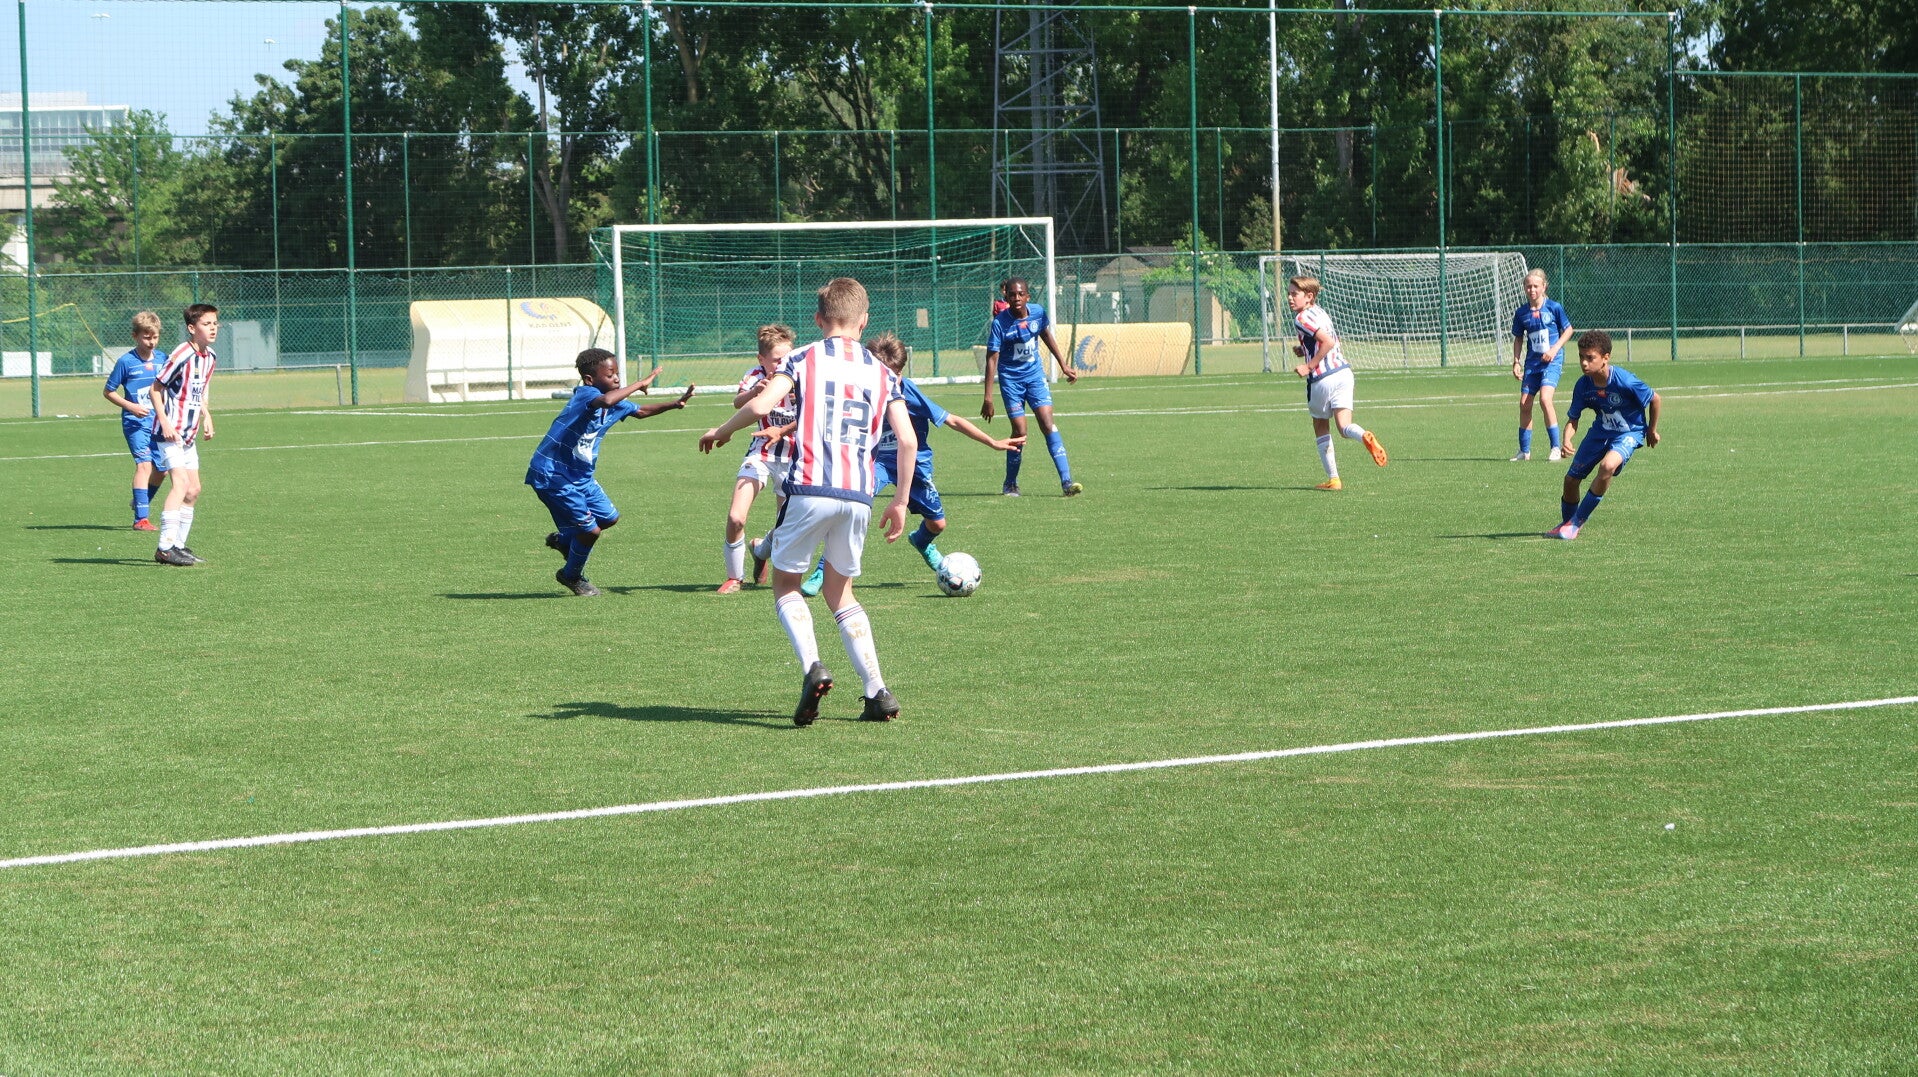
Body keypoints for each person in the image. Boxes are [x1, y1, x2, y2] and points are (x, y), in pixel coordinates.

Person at [699, 277, 916, 726]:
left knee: (786, 585)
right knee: (840, 592)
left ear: (818, 319)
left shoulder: (802, 357)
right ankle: (877, 691)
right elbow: (908, 440)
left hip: (810, 487)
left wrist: (722, 431)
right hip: (859, 495)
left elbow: (761, 407)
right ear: (864, 320)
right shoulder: (884, 372)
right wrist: (899, 501)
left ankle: (813, 666)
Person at [794, 331, 1022, 592]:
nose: (892, 380)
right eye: (886, 374)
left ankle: (922, 541)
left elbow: (952, 420)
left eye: (897, 374)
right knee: (853, 509)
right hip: (877, 462)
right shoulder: (862, 388)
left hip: (915, 463)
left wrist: (992, 442)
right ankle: (822, 571)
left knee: (937, 523)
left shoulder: (908, 391)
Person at [529, 350, 688, 595]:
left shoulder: (615, 403)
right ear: (590, 379)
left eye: (617, 374)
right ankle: (571, 576)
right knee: (590, 530)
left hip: (581, 475)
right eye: (610, 374)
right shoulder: (586, 394)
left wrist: (674, 404)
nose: (616, 378)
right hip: (553, 473)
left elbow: (640, 411)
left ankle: (565, 542)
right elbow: (605, 401)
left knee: (608, 518)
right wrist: (639, 384)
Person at [1547, 330, 1660, 540]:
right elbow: (1573, 419)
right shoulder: (1583, 385)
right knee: (1570, 480)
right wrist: (1566, 439)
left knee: (1607, 466)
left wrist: (1651, 430)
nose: (1584, 363)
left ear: (1605, 358)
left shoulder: (1625, 381)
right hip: (1600, 432)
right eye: (1581, 357)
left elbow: (1655, 399)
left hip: (1629, 432)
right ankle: (1567, 524)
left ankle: (1577, 522)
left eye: (1590, 358)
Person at [982, 277, 1081, 497]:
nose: (1016, 298)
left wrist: (1063, 365)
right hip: (1011, 381)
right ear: (1006, 297)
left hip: (1035, 377)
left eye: (1020, 294)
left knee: (1047, 423)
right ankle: (1010, 483)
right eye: (1012, 295)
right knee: (1020, 431)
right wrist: (988, 397)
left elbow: (1046, 335)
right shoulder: (1000, 323)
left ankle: (1066, 482)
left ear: (1028, 296)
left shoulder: (1037, 312)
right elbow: (992, 359)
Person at [717, 325, 798, 595]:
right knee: (735, 517)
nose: (782, 364)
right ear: (761, 359)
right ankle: (734, 577)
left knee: (785, 529)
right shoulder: (756, 376)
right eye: (776, 359)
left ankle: (760, 550)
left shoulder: (801, 376)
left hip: (794, 459)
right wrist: (754, 392)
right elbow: (738, 403)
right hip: (761, 453)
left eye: (787, 358)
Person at [1287, 276, 1387, 490]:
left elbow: (1328, 341)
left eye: (1294, 294)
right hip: (1344, 373)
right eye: (1289, 293)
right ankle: (1363, 435)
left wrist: (1309, 366)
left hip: (1323, 378)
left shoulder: (1301, 318)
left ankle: (1334, 479)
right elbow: (1328, 341)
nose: (1290, 298)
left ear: (1309, 296)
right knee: (1344, 427)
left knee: (1320, 425)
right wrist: (1304, 349)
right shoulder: (1321, 312)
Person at [149, 304, 219, 566]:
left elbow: (200, 391)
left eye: (215, 323)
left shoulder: (210, 357)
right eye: (206, 324)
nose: (213, 328)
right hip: (169, 434)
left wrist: (207, 415)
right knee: (180, 484)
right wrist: (165, 422)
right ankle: (165, 548)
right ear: (192, 328)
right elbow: (155, 389)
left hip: (188, 434)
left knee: (193, 490)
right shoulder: (182, 354)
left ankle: (178, 545)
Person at [102, 310, 171, 531]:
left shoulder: (163, 359)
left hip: (158, 422)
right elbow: (108, 392)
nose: (151, 342)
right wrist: (131, 406)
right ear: (135, 336)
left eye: (155, 337)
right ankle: (141, 519)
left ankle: (141, 501)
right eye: (146, 337)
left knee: (162, 470)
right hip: (135, 422)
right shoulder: (126, 362)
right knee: (144, 465)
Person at [1510, 268, 1576, 461]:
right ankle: (1524, 451)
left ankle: (1555, 448)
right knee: (1524, 404)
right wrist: (1516, 361)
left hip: (1552, 362)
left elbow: (1568, 330)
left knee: (1545, 399)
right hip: (1533, 363)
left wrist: (1554, 350)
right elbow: (1518, 338)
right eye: (1528, 286)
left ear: (1544, 287)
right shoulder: (1521, 313)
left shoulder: (1554, 307)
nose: (1532, 290)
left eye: (1536, 286)